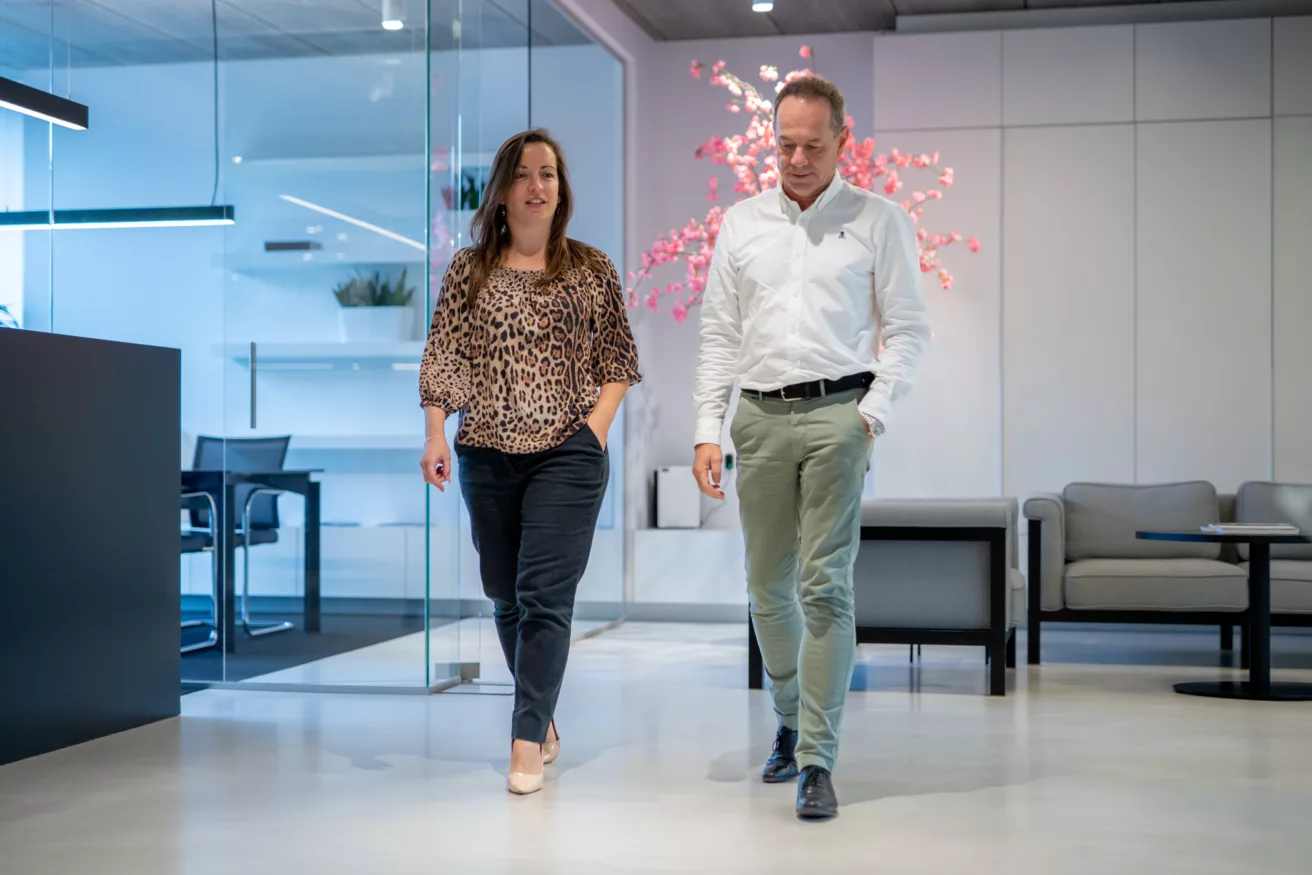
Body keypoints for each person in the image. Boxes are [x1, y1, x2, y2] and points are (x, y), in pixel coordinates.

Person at [691, 76, 930, 820]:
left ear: (842, 140)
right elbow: (719, 333)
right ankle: (791, 717)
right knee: (767, 586)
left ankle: (818, 759)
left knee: (826, 586)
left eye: (813, 146)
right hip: (759, 418)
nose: (797, 159)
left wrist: (870, 415)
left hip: (838, 415)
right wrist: (706, 427)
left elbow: (909, 330)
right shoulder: (742, 223)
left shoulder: (879, 220)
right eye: (785, 145)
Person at [419, 129, 641, 796]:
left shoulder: (591, 268)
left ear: (561, 189)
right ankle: (540, 716)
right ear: (502, 191)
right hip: (486, 449)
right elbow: (445, 355)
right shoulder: (470, 269)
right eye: (522, 174)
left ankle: (523, 738)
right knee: (505, 593)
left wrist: (594, 432)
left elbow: (619, 359)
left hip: (568, 453)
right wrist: (436, 432)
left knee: (545, 596)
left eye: (547, 173)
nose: (536, 185)